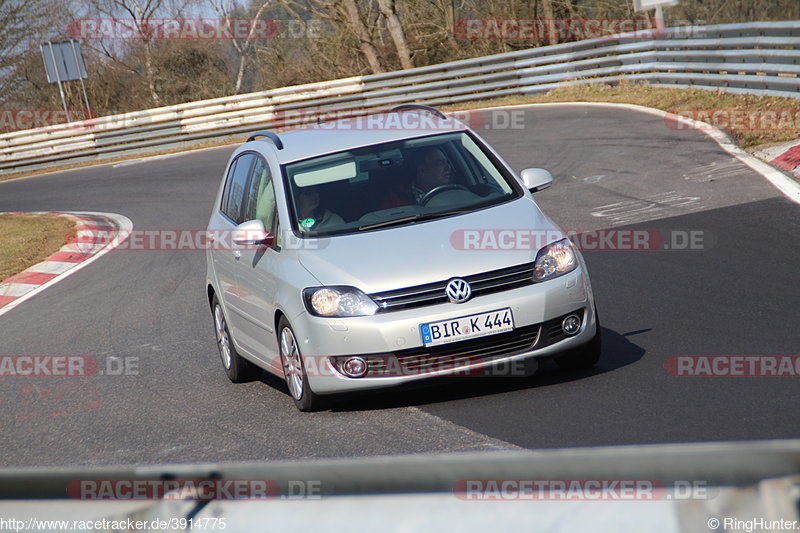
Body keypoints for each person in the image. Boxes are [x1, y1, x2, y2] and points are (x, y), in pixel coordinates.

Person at [381, 147, 453, 208]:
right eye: (440, 163)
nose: (448, 167)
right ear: (422, 170)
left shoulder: (455, 191)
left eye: (447, 162)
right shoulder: (396, 198)